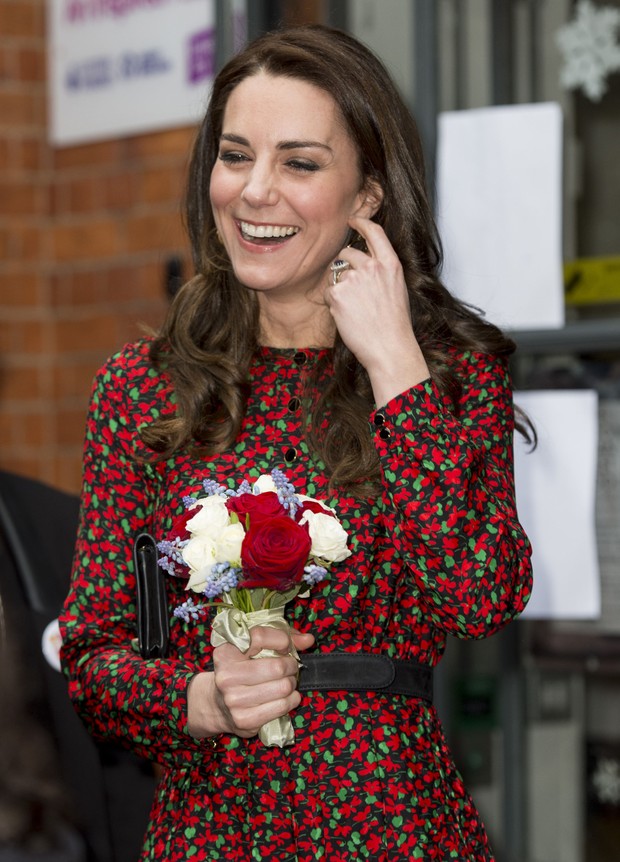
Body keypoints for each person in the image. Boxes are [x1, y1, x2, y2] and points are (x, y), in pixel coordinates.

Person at [59, 24, 533, 862]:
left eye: (301, 163)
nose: (255, 192)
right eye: (236, 155)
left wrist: (394, 366)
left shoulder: (447, 376)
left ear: (367, 198)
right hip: (210, 829)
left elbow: (482, 595)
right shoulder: (145, 388)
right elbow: (95, 655)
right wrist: (200, 699)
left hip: (389, 822)